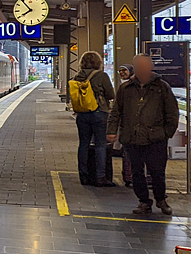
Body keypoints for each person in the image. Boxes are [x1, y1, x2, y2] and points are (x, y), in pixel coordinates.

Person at [107, 53, 181, 215]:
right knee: (136, 172)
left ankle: (161, 199)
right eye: (138, 66)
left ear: (151, 67)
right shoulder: (126, 89)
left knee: (157, 172)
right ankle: (144, 201)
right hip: (132, 138)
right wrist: (112, 131)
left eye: (144, 66)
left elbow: (172, 113)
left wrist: (166, 133)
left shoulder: (162, 88)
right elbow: (116, 112)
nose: (142, 69)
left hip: (156, 139)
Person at [70, 51, 115, 186]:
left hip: (82, 114)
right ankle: (100, 177)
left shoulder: (77, 76)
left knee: (83, 144)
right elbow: (111, 94)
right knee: (100, 145)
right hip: (99, 112)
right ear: (98, 62)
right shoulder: (101, 76)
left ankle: (83, 175)